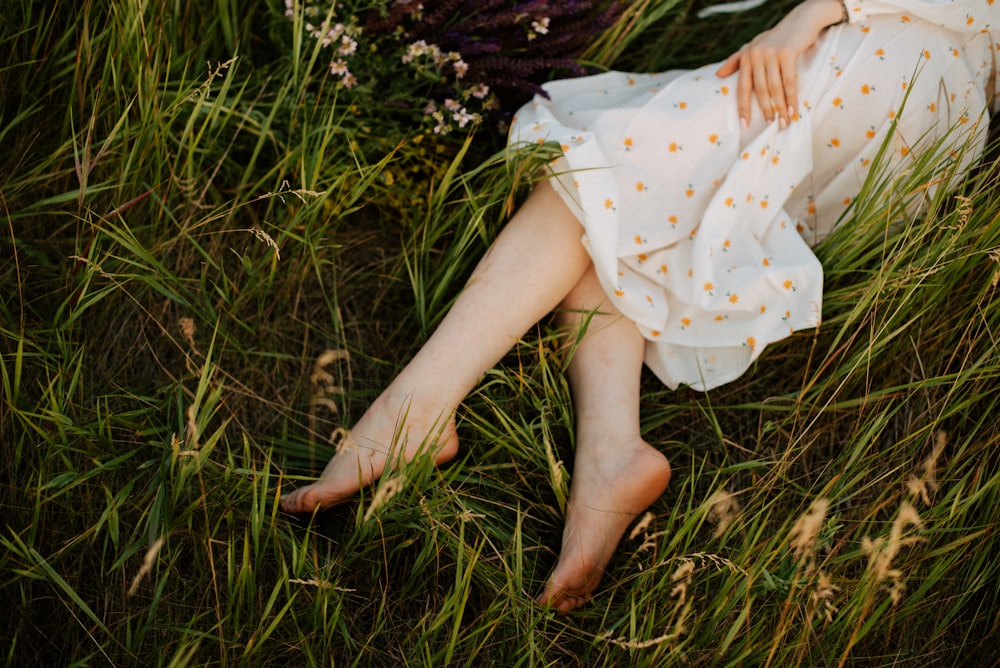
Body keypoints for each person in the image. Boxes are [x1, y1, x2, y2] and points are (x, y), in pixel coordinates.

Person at [280, 0, 998, 611]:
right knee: (637, 191)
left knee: (602, 155)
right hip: (934, 123)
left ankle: (414, 407)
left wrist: (820, 10)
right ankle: (610, 450)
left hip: (887, 47)